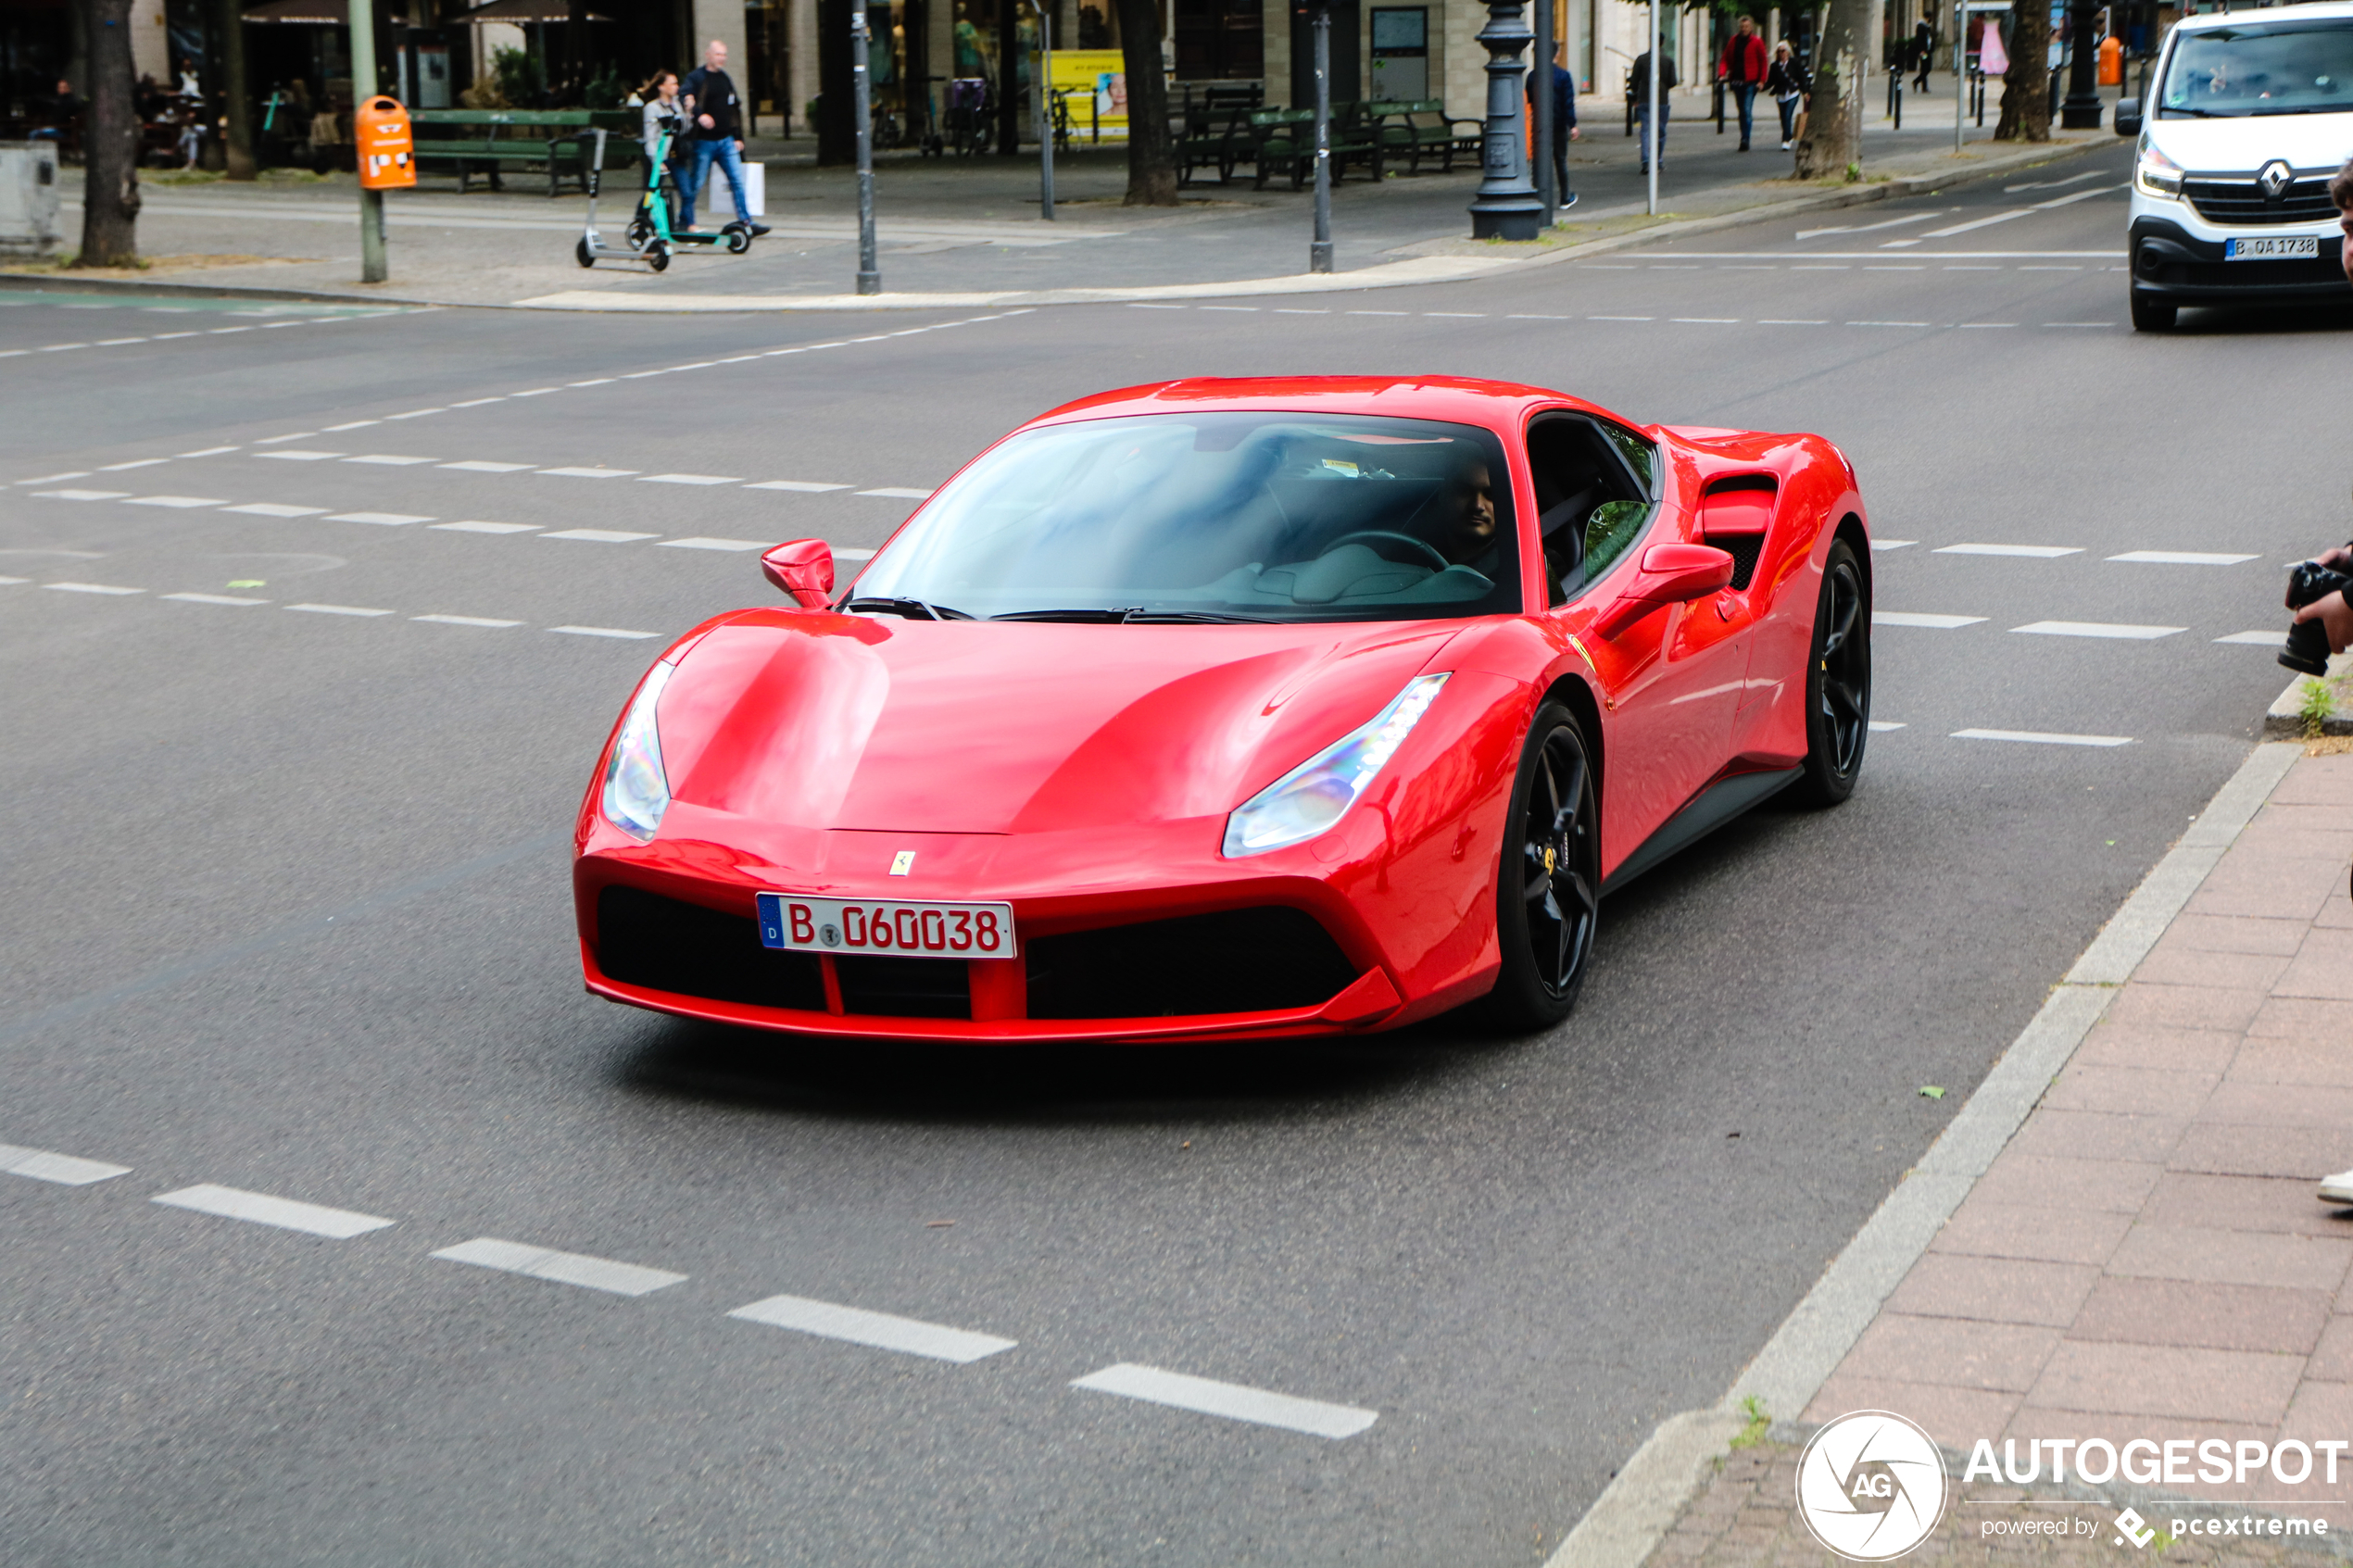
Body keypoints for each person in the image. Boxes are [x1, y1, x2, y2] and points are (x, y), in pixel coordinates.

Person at [678, 39, 770, 235]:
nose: (722, 58)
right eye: (719, 54)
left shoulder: (725, 79)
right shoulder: (697, 77)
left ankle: (746, 221)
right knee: (696, 183)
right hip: (703, 141)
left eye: (724, 55)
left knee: (737, 181)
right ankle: (685, 220)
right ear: (708, 55)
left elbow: (733, 107)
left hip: (726, 140)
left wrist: (737, 136)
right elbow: (684, 95)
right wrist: (699, 113)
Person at [1525, 43, 1580, 207]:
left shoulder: (1532, 76)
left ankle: (1537, 194)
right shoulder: (1563, 76)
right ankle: (1565, 197)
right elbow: (1568, 103)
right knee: (1560, 160)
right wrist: (1573, 125)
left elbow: (1529, 99)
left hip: (1539, 124)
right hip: (1558, 123)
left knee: (1539, 160)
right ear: (1557, 54)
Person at [1718, 14, 1768, 152]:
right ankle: (1743, 136)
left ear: (1751, 27)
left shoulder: (1757, 42)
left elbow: (1763, 62)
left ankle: (1746, 138)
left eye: (1746, 26)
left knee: (1746, 110)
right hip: (1737, 81)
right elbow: (1725, 59)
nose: (1744, 29)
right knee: (1741, 112)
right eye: (1742, 26)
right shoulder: (1733, 41)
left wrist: (1762, 80)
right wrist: (1721, 74)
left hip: (1751, 82)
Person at [1631, 46, 1676, 175]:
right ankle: (1658, 160)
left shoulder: (1641, 59)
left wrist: (1634, 96)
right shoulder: (1668, 60)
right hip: (1662, 100)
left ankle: (1646, 160)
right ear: (1663, 43)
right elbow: (1673, 81)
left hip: (1644, 99)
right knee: (1660, 131)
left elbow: (1634, 81)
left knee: (1646, 130)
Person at [1768, 41, 1810, 150]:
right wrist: (1762, 87)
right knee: (1783, 118)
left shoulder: (1794, 62)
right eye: (1779, 51)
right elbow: (1771, 81)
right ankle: (1789, 135)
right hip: (1781, 94)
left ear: (1788, 51)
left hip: (1793, 93)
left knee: (1787, 115)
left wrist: (1805, 92)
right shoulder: (1775, 66)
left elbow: (1801, 78)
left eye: (1783, 51)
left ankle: (1786, 140)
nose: (1781, 53)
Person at [1912, 17, 1935, 91]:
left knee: (1928, 68)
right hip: (1923, 52)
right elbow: (1919, 39)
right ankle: (1923, 86)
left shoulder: (1927, 27)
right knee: (1925, 68)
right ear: (1927, 18)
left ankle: (1917, 81)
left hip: (1928, 51)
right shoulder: (1921, 26)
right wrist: (1921, 50)